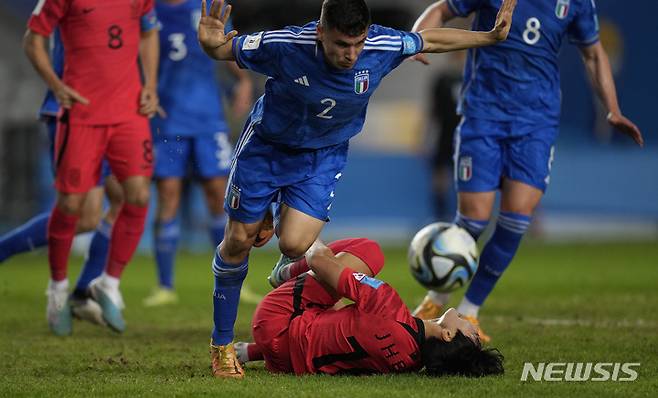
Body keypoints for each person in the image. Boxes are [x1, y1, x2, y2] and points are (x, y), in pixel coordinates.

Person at [197, 0, 517, 377]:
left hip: (322, 156)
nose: (351, 54)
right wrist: (212, 43)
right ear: (320, 33)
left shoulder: (381, 47)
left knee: (295, 244)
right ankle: (221, 347)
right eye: (341, 45)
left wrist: (487, 36)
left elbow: (429, 39)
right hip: (267, 149)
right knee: (237, 241)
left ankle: (273, 228)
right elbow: (223, 48)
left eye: (358, 44)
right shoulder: (287, 45)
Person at [409, 0, 644, 343]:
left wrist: (612, 109)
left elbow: (593, 53)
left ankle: (471, 311)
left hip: (536, 122)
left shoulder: (577, 3)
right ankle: (438, 299)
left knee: (517, 218)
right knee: (473, 219)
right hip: (483, 115)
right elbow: (445, 8)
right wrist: (418, 39)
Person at [24, 0, 161, 336]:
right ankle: (57, 289)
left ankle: (109, 283)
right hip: (82, 113)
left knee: (139, 195)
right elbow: (32, 39)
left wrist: (150, 85)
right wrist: (56, 86)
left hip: (129, 112)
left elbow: (149, 31)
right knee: (72, 205)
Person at [228, 238, 504, 378]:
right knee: (340, 323)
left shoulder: (388, 306)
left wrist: (306, 239)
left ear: (447, 335)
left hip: (275, 320)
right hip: (287, 363)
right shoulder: (408, 363)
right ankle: (250, 351)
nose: (474, 325)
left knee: (370, 252)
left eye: (473, 334)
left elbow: (321, 263)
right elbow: (339, 326)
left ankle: (285, 272)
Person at [2, 29, 124, 326]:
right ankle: (65, 289)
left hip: (107, 110)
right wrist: (57, 86)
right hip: (75, 111)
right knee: (80, 212)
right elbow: (33, 36)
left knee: (122, 198)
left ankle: (84, 291)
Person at [143, 0, 253, 307]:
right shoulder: (149, 9)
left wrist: (243, 79)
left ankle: (232, 279)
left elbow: (225, 46)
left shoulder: (204, 7)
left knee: (218, 194)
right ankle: (164, 285)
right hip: (167, 119)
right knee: (168, 196)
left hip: (208, 119)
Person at [426, 51, 465, 220]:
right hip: (445, 135)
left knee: (467, 179)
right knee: (440, 179)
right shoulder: (442, 80)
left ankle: (467, 217)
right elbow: (432, 111)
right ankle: (440, 217)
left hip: (467, 136)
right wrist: (425, 137)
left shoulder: (475, 79)